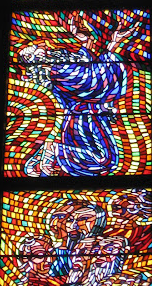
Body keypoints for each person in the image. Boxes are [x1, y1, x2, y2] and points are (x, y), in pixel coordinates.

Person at [18, 14, 134, 176]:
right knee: (104, 161)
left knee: (105, 161)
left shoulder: (59, 68)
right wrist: (112, 46)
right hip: (81, 121)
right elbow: (92, 80)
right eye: (41, 49)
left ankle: (49, 155)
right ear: (38, 59)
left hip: (86, 117)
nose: (47, 47)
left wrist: (87, 41)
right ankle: (52, 151)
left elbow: (84, 65)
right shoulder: (57, 70)